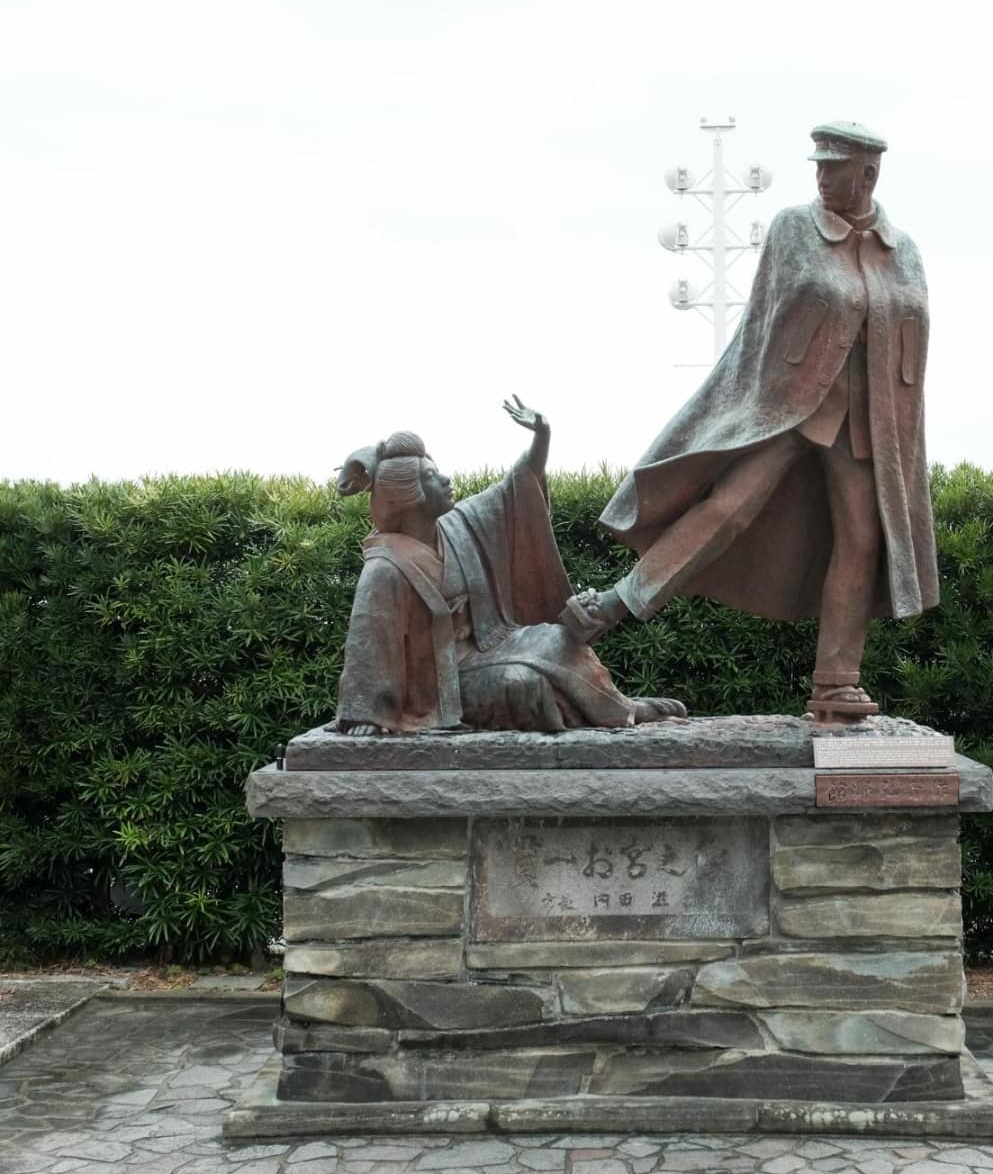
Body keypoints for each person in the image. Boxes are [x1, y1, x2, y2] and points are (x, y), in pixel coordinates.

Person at [559, 121, 938, 721]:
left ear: (867, 174)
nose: (821, 177)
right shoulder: (795, 229)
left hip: (863, 421)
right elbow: (760, 327)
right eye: (818, 165)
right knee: (727, 508)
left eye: (833, 167)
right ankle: (613, 604)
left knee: (862, 540)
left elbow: (909, 340)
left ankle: (836, 684)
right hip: (788, 406)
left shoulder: (904, 252)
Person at [334, 397, 685, 736]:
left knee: (559, 639)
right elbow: (371, 643)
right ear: (408, 495)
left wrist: (541, 438)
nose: (445, 480)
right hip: (439, 682)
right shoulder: (385, 568)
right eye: (431, 476)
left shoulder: (458, 525)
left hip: (488, 646)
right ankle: (614, 713)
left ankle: (621, 709)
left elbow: (513, 492)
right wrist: (367, 713)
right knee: (523, 683)